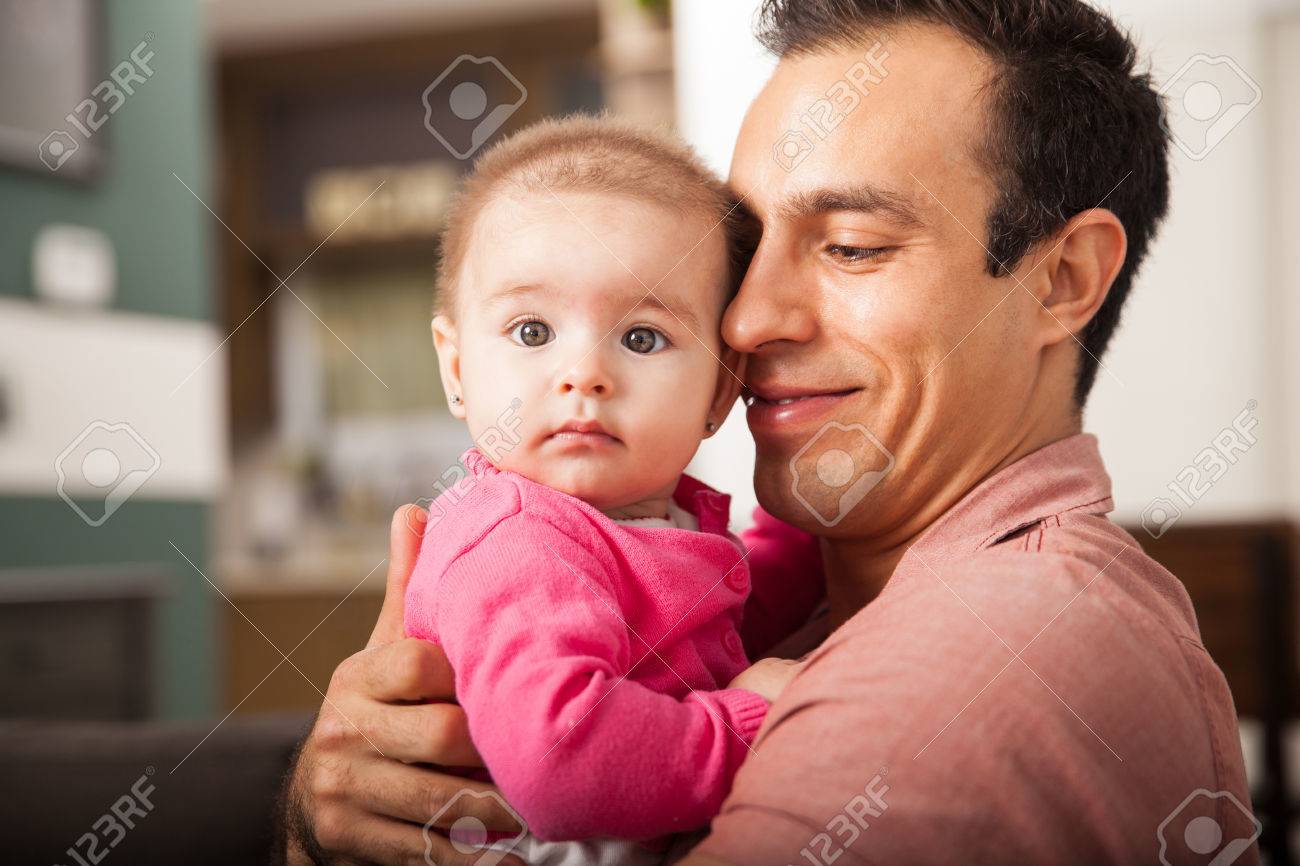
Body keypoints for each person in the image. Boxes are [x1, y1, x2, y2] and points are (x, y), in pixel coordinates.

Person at [277, 1, 1258, 864]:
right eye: (743, 254)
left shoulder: (973, 668)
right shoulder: (858, 580)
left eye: (849, 245)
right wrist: (328, 822)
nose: (744, 323)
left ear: (1062, 278)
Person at [403, 115, 822, 864]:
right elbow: (563, 763)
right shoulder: (515, 541)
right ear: (457, 368)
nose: (583, 375)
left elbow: (715, 628)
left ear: (722, 390)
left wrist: (818, 527)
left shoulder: (645, 523)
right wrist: (750, 720)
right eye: (532, 331)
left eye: (642, 338)